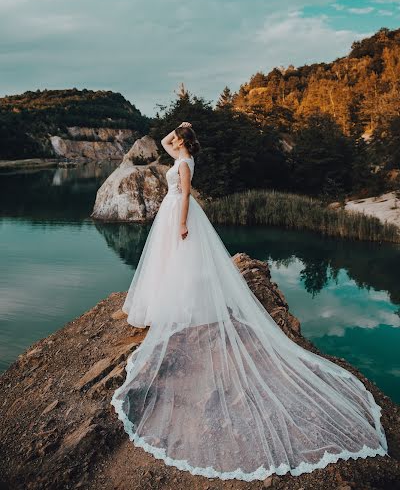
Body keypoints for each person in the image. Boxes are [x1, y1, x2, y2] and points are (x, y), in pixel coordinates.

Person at [111, 122, 389, 481]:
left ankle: (179, 304)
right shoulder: (179, 153)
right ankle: (170, 300)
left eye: (179, 137)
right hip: (169, 212)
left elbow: (184, 197)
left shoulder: (183, 163)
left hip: (177, 214)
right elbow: (165, 140)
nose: (173, 140)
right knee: (169, 262)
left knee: (179, 259)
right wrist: (184, 126)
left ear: (185, 143)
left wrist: (182, 224)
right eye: (176, 137)